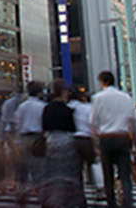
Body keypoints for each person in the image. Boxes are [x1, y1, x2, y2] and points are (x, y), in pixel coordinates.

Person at [90, 71, 135, 208]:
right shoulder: (126, 97)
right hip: (122, 137)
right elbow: (131, 120)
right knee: (125, 173)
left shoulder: (98, 98)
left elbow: (94, 122)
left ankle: (112, 202)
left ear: (103, 82)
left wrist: (95, 143)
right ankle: (128, 201)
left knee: (107, 173)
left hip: (106, 138)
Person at [40, 79, 84, 207]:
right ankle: (69, 201)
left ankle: (53, 201)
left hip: (51, 142)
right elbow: (72, 127)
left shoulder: (47, 108)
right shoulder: (67, 109)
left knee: (53, 174)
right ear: (64, 92)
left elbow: (44, 126)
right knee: (68, 174)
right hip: (66, 143)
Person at [14, 81, 47, 197]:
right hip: (37, 138)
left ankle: (21, 190)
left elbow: (17, 124)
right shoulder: (42, 106)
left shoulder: (22, 107)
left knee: (22, 167)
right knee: (37, 167)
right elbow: (44, 124)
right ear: (39, 92)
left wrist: (17, 141)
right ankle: (40, 192)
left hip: (23, 138)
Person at [68, 87, 95, 201]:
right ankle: (97, 188)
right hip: (87, 138)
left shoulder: (70, 107)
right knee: (92, 164)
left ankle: (78, 194)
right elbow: (93, 125)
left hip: (74, 139)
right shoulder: (88, 108)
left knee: (76, 169)